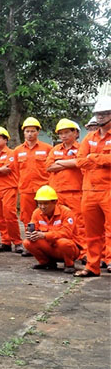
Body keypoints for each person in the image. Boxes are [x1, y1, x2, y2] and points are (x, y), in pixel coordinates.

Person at [76, 96, 111, 277]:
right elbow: (80, 160)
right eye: (98, 114)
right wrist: (101, 161)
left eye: (105, 113)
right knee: (91, 233)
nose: (101, 117)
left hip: (109, 190)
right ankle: (92, 266)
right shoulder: (89, 138)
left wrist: (95, 158)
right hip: (89, 191)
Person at [11, 117, 53, 256]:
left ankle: (47, 241)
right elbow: (15, 171)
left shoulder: (47, 149)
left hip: (44, 190)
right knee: (27, 217)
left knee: (46, 216)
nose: (30, 134)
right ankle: (31, 244)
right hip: (26, 189)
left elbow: (51, 168)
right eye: (27, 131)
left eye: (33, 131)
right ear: (24, 133)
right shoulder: (17, 151)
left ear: (38, 132)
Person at [46, 119, 85, 257]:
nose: (63, 136)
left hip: (75, 191)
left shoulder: (82, 148)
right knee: (57, 223)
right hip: (56, 193)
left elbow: (80, 162)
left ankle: (83, 252)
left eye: (67, 132)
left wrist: (60, 162)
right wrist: (70, 163)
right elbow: (49, 167)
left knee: (79, 223)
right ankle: (60, 250)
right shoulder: (55, 149)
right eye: (61, 133)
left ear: (75, 133)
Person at [22, 185, 79, 273]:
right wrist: (31, 234)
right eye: (40, 203)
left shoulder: (66, 212)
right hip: (49, 247)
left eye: (46, 203)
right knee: (27, 242)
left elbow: (67, 233)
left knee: (64, 243)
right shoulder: (36, 213)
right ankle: (46, 263)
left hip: (66, 248)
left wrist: (44, 235)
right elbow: (32, 228)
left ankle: (69, 264)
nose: (42, 207)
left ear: (55, 202)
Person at [0, 127, 22, 253]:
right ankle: (5, 241)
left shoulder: (11, 154)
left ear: (5, 140)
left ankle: (17, 242)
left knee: (9, 214)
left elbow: (8, 168)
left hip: (8, 187)